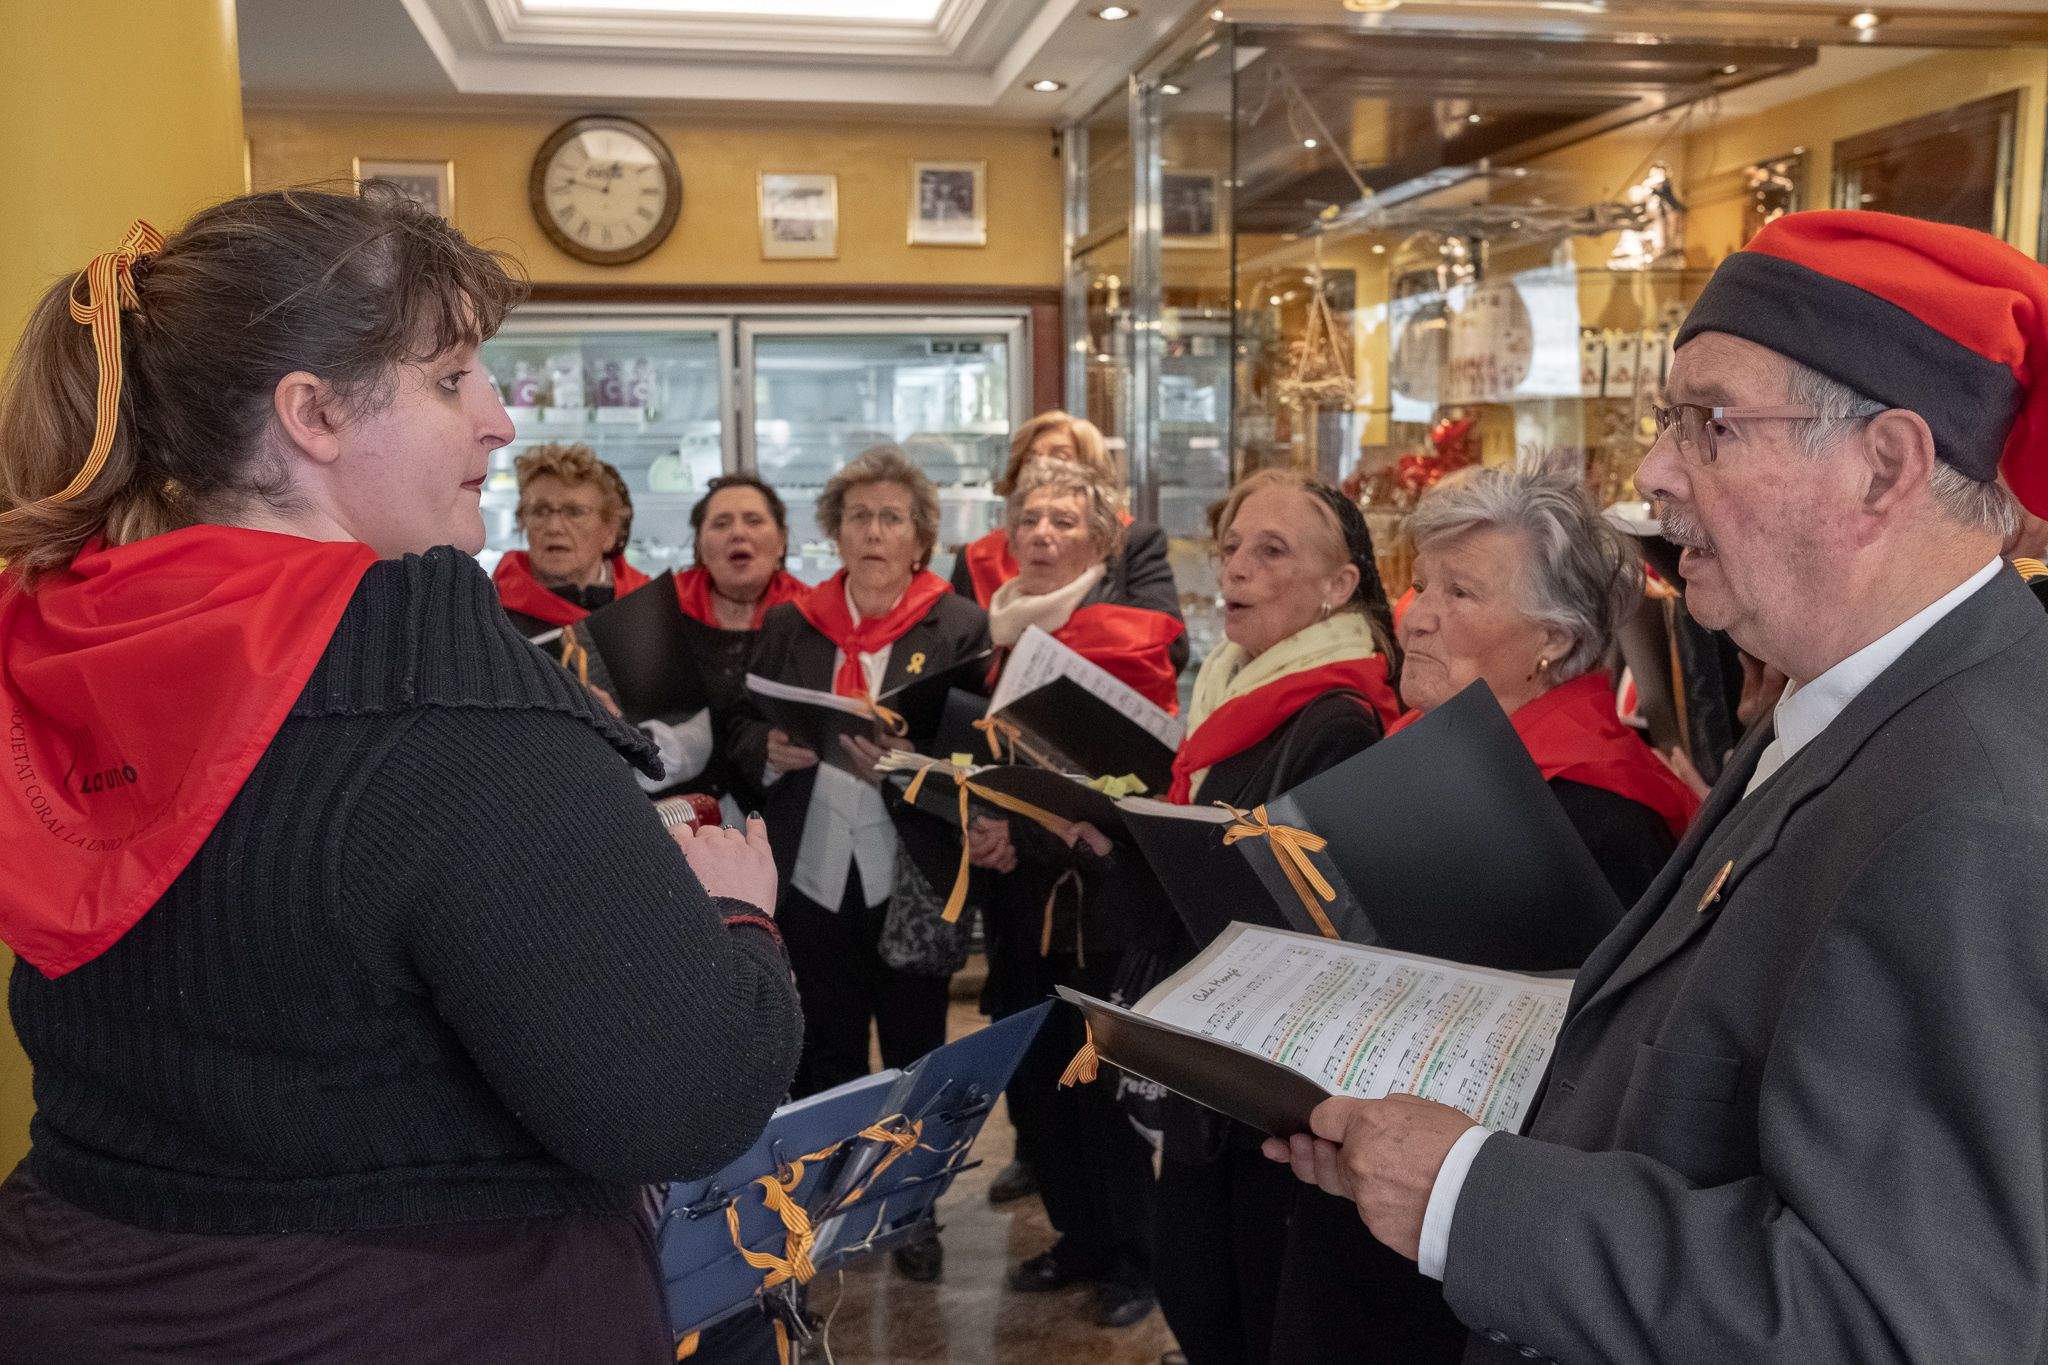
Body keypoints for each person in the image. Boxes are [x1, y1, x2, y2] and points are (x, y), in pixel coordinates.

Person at [0, 189, 801, 1361]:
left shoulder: (73, 643)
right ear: (313, 415)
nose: (496, 423)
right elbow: (676, 1098)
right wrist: (738, 916)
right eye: (449, 378)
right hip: (411, 1314)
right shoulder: (428, 670)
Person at [1266, 209, 2048, 1365]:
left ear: (1883, 466)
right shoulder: (1856, 697)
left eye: (1709, 425)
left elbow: (1891, 1321)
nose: (1652, 472)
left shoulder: (1971, 808)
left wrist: (1464, 1193)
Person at [1266, 460, 1699, 1364]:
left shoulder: (1602, 814)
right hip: (1348, 1182)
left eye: (1460, 591)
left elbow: (1594, 1081)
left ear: (1553, 638)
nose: (1415, 612)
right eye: (1421, 582)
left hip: (1457, 1239)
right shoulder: (1415, 754)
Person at [1060, 468, 1403, 1365]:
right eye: (1230, 548)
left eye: (1270, 550)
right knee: (1194, 1279)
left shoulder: (1341, 715)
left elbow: (1320, 917)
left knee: (1240, 1297)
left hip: (1273, 1079)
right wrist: (1107, 837)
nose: (1234, 570)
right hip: (1212, 1041)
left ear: (1340, 587)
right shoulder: (1233, 686)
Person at [960, 457, 1185, 1329]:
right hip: (1018, 899)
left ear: (1101, 537)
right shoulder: (1000, 631)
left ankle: (1137, 1254)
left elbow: (1142, 775)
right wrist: (980, 817)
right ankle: (1078, 1235)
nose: (1044, 535)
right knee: (1042, 1082)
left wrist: (1024, 824)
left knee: (1105, 1087)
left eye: (1063, 520)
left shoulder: (1128, 630)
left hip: (1100, 900)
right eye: (1029, 521)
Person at [727, 445, 989, 1097]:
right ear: (835, 531)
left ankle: (912, 1195)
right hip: (810, 868)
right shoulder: (791, 622)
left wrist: (908, 766)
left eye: (892, 518)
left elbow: (978, 759)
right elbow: (736, 722)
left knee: (915, 1044)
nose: (873, 532)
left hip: (910, 867)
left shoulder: (958, 623)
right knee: (822, 1044)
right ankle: (829, 1191)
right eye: (858, 516)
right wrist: (766, 746)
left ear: (921, 539)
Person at [492, 444, 712, 797]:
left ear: (611, 530)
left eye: (574, 511)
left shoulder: (649, 609)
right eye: (539, 510)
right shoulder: (490, 614)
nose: (553, 526)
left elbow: (696, 742)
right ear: (521, 521)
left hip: (640, 813)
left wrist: (624, 735)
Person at [951, 410, 1178, 627]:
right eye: (1030, 459)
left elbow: (1167, 642)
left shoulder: (1133, 541)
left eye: (1059, 457)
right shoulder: (978, 557)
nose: (1042, 466)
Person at [672, 474, 809, 810]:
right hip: (679, 809)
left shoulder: (813, 618)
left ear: (781, 541)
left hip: (786, 810)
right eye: (721, 523)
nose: (738, 533)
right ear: (700, 545)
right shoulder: (662, 612)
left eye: (754, 520)